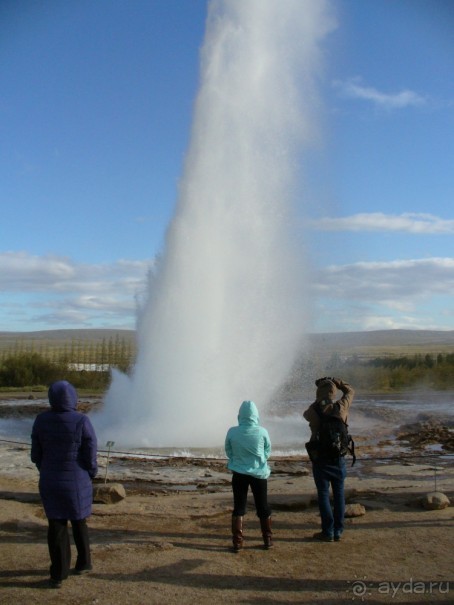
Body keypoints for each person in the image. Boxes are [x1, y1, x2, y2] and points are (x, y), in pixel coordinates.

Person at [31, 380, 98, 588]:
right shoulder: (81, 421)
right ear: (74, 397)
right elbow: (90, 450)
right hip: (77, 479)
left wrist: (46, 470)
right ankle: (84, 563)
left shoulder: (41, 421)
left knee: (56, 526)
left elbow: (36, 454)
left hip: (51, 480)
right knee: (79, 520)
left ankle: (58, 574)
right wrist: (90, 471)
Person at [303, 376, 355, 542]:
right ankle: (338, 530)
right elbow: (350, 391)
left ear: (318, 392)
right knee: (339, 493)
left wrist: (319, 400)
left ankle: (328, 532)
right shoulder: (341, 406)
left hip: (320, 458)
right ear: (334, 392)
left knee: (323, 494)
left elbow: (305, 415)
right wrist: (339, 382)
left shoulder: (313, 410)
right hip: (338, 457)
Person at [225, 400, 272, 551]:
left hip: (238, 473)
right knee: (262, 506)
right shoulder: (262, 431)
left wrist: (236, 460)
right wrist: (260, 460)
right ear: (256, 416)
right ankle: (267, 540)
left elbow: (228, 450)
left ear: (240, 416)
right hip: (259, 474)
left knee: (239, 506)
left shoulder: (232, 431)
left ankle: (237, 542)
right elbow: (267, 450)